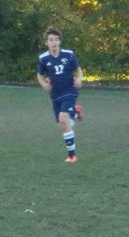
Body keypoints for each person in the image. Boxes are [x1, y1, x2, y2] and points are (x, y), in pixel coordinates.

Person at [36, 27, 83, 163]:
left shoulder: (68, 54)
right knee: (63, 124)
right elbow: (39, 74)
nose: (54, 42)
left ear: (59, 42)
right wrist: (43, 84)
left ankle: (72, 156)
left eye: (56, 39)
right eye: (51, 40)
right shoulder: (43, 58)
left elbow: (78, 69)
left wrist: (79, 78)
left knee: (63, 118)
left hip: (69, 91)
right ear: (46, 43)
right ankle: (76, 111)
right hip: (55, 94)